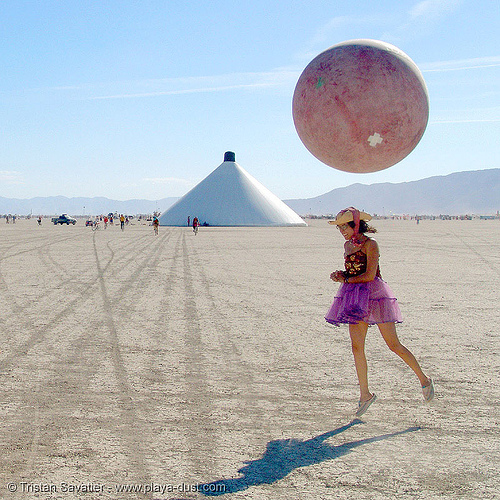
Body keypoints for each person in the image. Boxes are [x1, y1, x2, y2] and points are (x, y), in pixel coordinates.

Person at [325, 207, 434, 417]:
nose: (341, 231)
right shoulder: (347, 245)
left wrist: (346, 279)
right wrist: (341, 275)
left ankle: (424, 379)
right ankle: (365, 395)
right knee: (357, 347)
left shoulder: (371, 244)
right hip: (354, 297)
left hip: (375, 296)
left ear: (355, 225)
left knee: (393, 345)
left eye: (344, 227)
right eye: (339, 228)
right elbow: (354, 272)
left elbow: (369, 275)